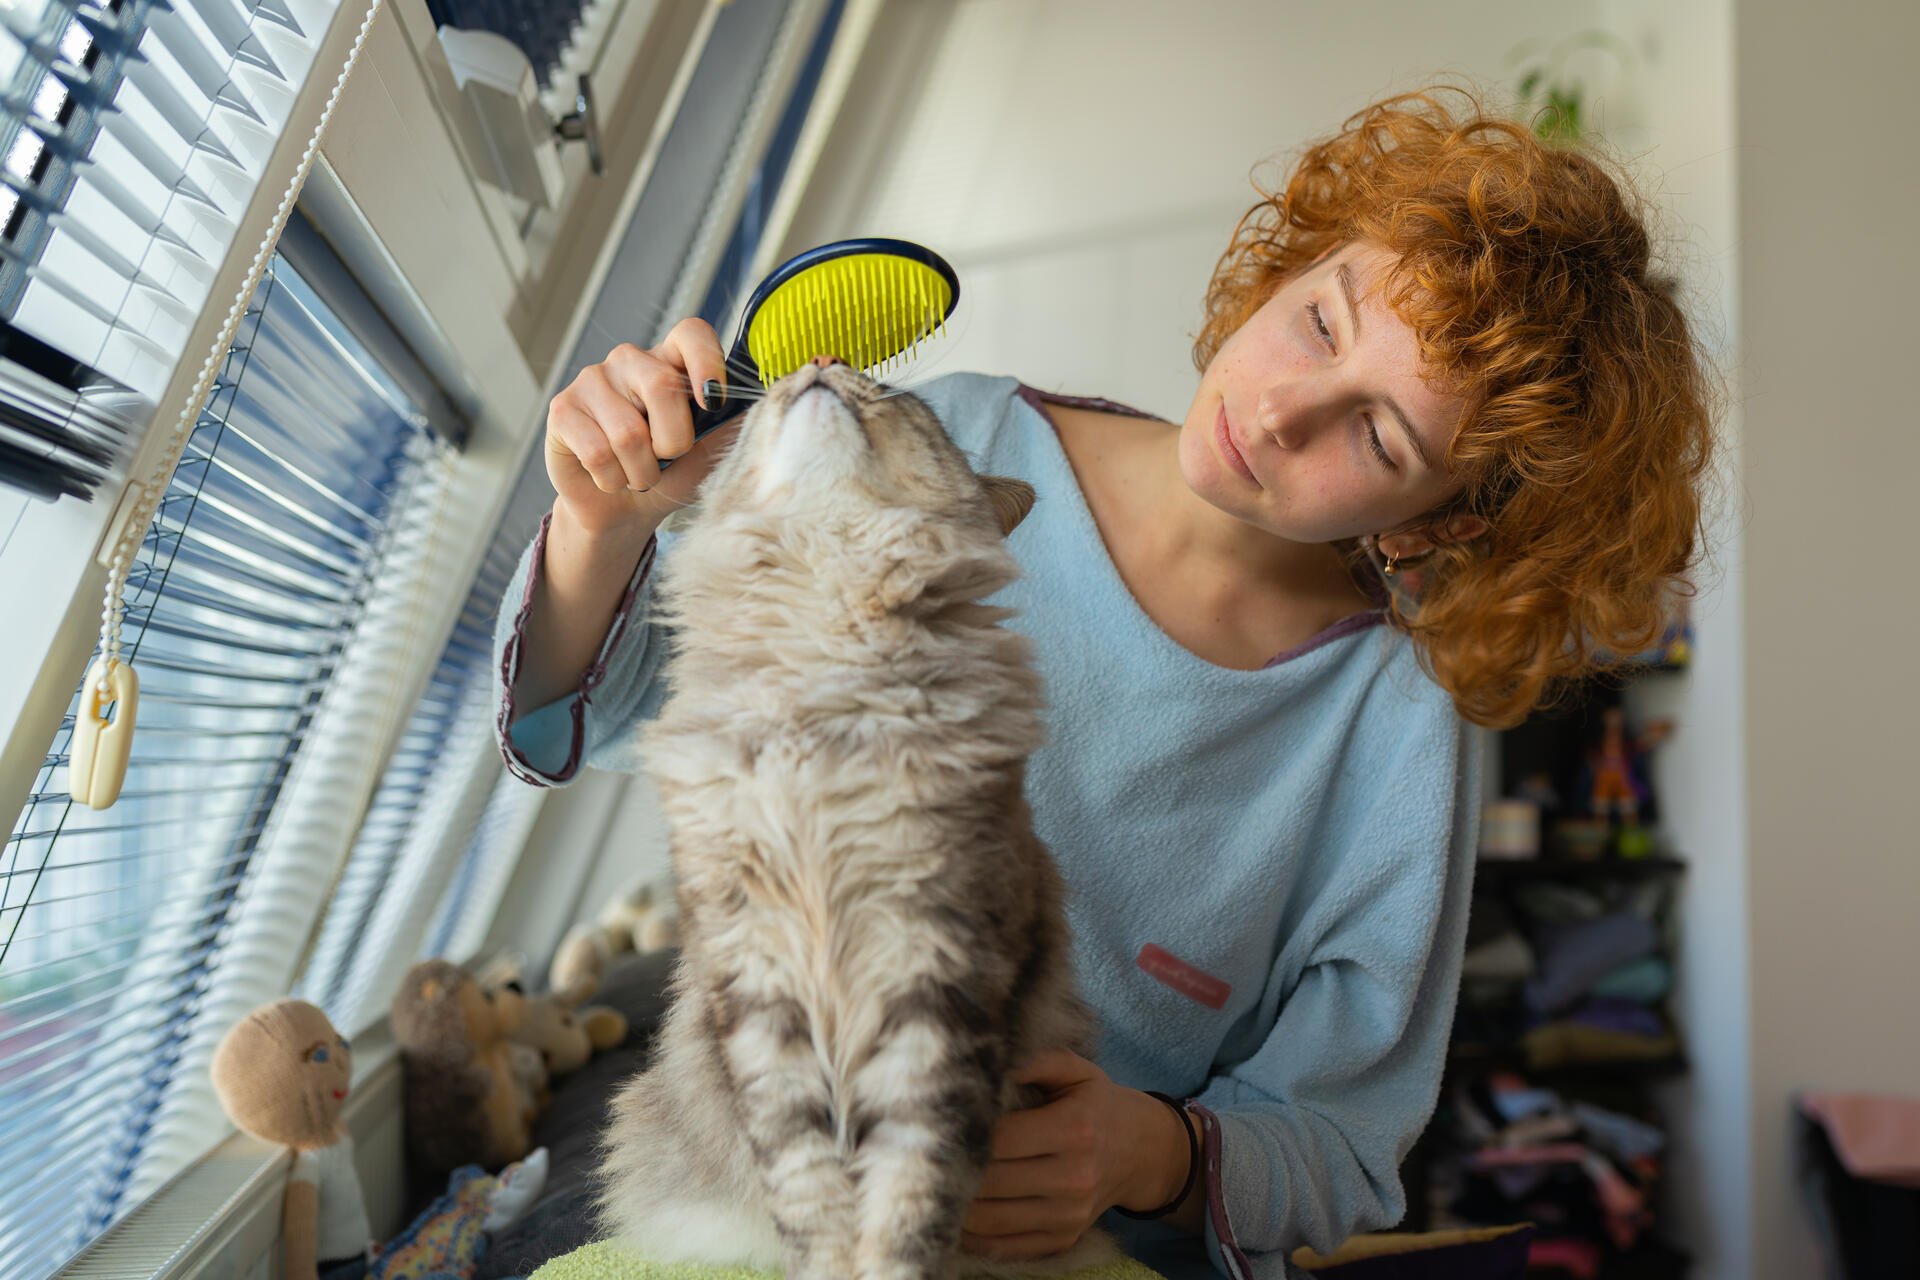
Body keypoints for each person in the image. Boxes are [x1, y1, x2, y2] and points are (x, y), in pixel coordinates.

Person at [490, 85, 1714, 1279]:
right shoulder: (956, 445)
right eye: (1325, 321)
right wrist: (601, 523)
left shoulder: (1396, 727)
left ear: (1439, 525)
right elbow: (608, 706)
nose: (1283, 408)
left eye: (1381, 437)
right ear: (1294, 261)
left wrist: (1153, 1152)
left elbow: (1343, 1143)